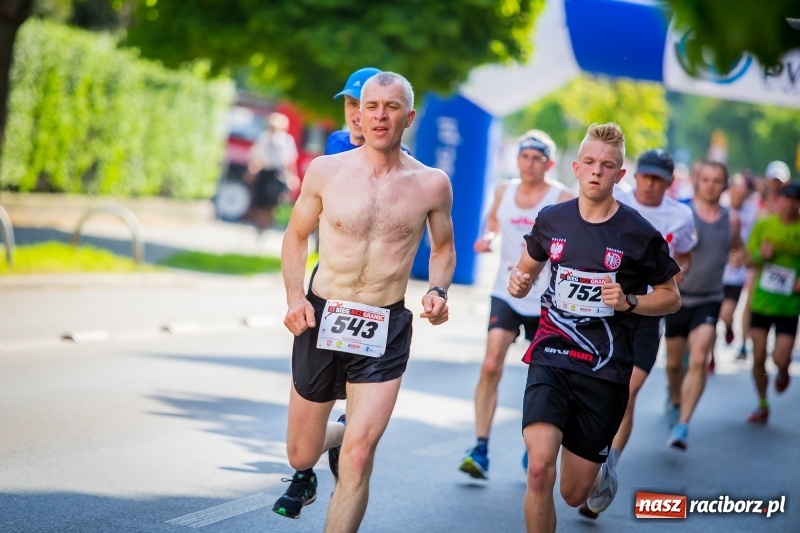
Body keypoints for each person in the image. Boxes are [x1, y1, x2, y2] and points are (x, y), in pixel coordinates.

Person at [274, 72, 456, 530]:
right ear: (358, 112)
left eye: (392, 107)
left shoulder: (432, 184)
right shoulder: (325, 171)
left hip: (385, 324)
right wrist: (295, 298)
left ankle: (348, 442)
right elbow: (295, 238)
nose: (379, 115)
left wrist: (437, 290)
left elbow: (443, 248)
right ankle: (330, 438)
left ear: (408, 117)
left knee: (358, 456)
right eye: (371, 106)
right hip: (322, 316)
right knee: (301, 452)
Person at [509, 122, 681, 533]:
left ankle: (600, 470)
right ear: (575, 166)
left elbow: (671, 296)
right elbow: (526, 269)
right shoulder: (552, 220)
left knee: (572, 494)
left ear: (620, 175)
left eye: (606, 165)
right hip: (551, 353)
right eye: (588, 162)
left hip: (604, 370)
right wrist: (520, 281)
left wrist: (631, 300)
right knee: (538, 470)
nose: (596, 171)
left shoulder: (639, 233)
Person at [578, 148, 695, 519]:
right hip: (606, 310)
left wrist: (679, 277)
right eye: (644, 176)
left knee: (625, 395)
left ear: (668, 182)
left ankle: (604, 469)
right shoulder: (618, 200)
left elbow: (686, 254)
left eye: (657, 178)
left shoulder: (681, 215)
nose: (648, 184)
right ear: (635, 175)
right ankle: (569, 447)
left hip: (645, 316)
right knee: (583, 388)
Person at [459, 130, 573, 480]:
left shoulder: (562, 197)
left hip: (546, 298)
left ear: (549, 163)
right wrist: (490, 238)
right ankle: (480, 448)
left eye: (538, 158)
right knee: (491, 362)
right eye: (524, 156)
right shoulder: (503, 190)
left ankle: (538, 446)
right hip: (506, 291)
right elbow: (494, 220)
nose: (529, 163)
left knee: (546, 378)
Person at [664, 160, 743, 450]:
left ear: (724, 185)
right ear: (697, 181)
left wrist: (738, 257)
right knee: (674, 364)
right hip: (677, 299)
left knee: (698, 359)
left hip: (709, 299)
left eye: (716, 180)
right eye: (706, 179)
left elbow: (738, 248)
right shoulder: (680, 212)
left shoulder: (730, 220)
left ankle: (682, 425)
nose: (710, 185)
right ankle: (675, 399)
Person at [745, 182, 800, 424]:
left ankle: (784, 369)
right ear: (779, 200)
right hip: (762, 302)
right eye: (786, 198)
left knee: (779, 358)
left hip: (789, 305)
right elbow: (748, 258)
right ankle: (763, 403)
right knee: (757, 357)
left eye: (795, 199)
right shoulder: (765, 224)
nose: (790, 203)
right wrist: (760, 256)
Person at [717, 173, 759, 362]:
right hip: (717, 269)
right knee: (718, 314)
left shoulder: (753, 212)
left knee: (729, 311)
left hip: (740, 270)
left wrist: (745, 256)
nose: (738, 198)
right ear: (730, 190)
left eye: (743, 194)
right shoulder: (720, 207)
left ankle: (736, 335)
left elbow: (755, 239)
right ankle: (711, 354)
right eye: (736, 192)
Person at [246, 112, 299, 232]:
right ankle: (260, 225)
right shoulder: (263, 139)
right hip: (264, 172)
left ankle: (266, 226)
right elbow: (256, 158)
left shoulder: (286, 141)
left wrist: (292, 176)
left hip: (278, 174)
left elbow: (290, 161)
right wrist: (251, 171)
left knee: (273, 202)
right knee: (260, 201)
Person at [325, 67, 382, 155]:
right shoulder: (334, 141)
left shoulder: (396, 156)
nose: (358, 115)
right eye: (353, 103)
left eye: (369, 106)